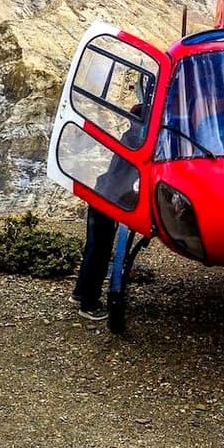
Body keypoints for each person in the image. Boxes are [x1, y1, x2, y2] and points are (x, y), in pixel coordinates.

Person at [71, 104, 145, 321]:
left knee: (94, 248)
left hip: (101, 193)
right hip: (107, 199)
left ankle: (80, 292)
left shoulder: (130, 138)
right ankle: (89, 304)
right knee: (100, 251)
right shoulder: (137, 142)